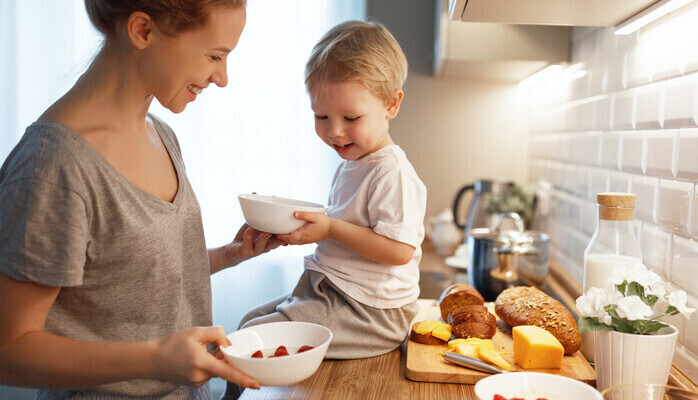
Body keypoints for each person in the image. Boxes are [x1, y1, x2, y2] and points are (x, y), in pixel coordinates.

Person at [0, 1, 285, 399]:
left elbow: (129, 280)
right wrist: (154, 359)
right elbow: (9, 350)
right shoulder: (54, 167)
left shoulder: (161, 133)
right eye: (215, 55)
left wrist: (229, 253)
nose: (222, 77)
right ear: (143, 31)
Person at [223, 19, 427, 399]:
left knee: (247, 343)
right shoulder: (353, 163)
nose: (334, 131)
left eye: (351, 118)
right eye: (322, 116)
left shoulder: (392, 172)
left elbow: (399, 251)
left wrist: (330, 229)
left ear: (391, 104)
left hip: (370, 313)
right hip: (336, 294)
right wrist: (306, 229)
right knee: (248, 324)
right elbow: (346, 232)